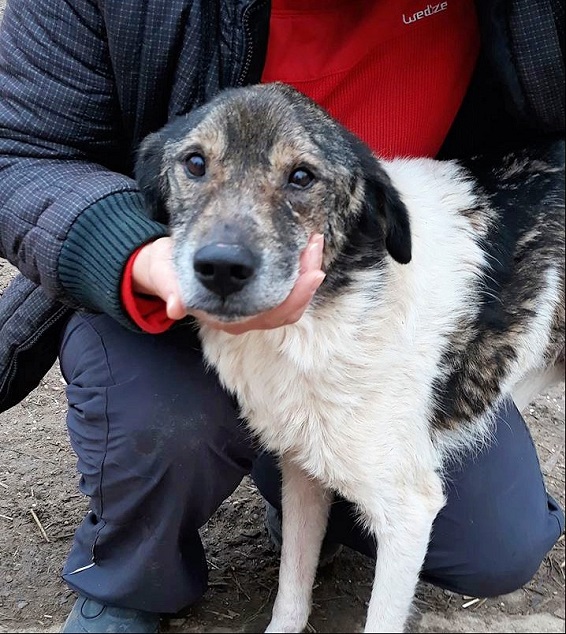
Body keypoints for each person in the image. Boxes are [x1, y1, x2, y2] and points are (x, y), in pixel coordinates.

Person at [0, 0, 563, 632]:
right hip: (153, 289)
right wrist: (139, 256)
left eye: (298, 175)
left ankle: (305, 480)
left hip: (360, 292)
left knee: (496, 543)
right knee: (169, 427)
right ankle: (133, 575)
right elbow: (17, 151)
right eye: (195, 165)